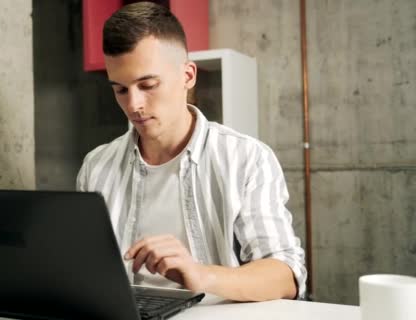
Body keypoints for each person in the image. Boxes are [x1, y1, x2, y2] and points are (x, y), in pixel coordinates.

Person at [77, 1, 306, 301]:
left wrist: (201, 275)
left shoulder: (246, 159)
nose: (133, 105)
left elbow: (285, 275)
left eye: (148, 85)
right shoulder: (96, 166)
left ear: (187, 76)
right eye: (120, 89)